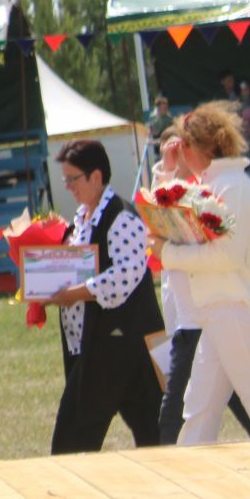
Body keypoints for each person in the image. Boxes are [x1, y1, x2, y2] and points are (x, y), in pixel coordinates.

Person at [153, 102, 250, 444]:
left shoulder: (232, 186)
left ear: (192, 146)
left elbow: (226, 256)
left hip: (236, 310)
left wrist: (168, 254)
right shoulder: (218, 184)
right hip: (220, 311)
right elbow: (164, 213)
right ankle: (189, 487)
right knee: (200, 410)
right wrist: (167, 173)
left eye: (182, 146)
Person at [43, 140, 163, 454]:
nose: (68, 187)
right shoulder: (81, 220)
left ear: (96, 177)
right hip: (102, 344)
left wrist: (75, 294)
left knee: (73, 439)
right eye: (64, 180)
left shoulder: (122, 217)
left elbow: (124, 276)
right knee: (154, 429)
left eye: (73, 179)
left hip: (114, 343)